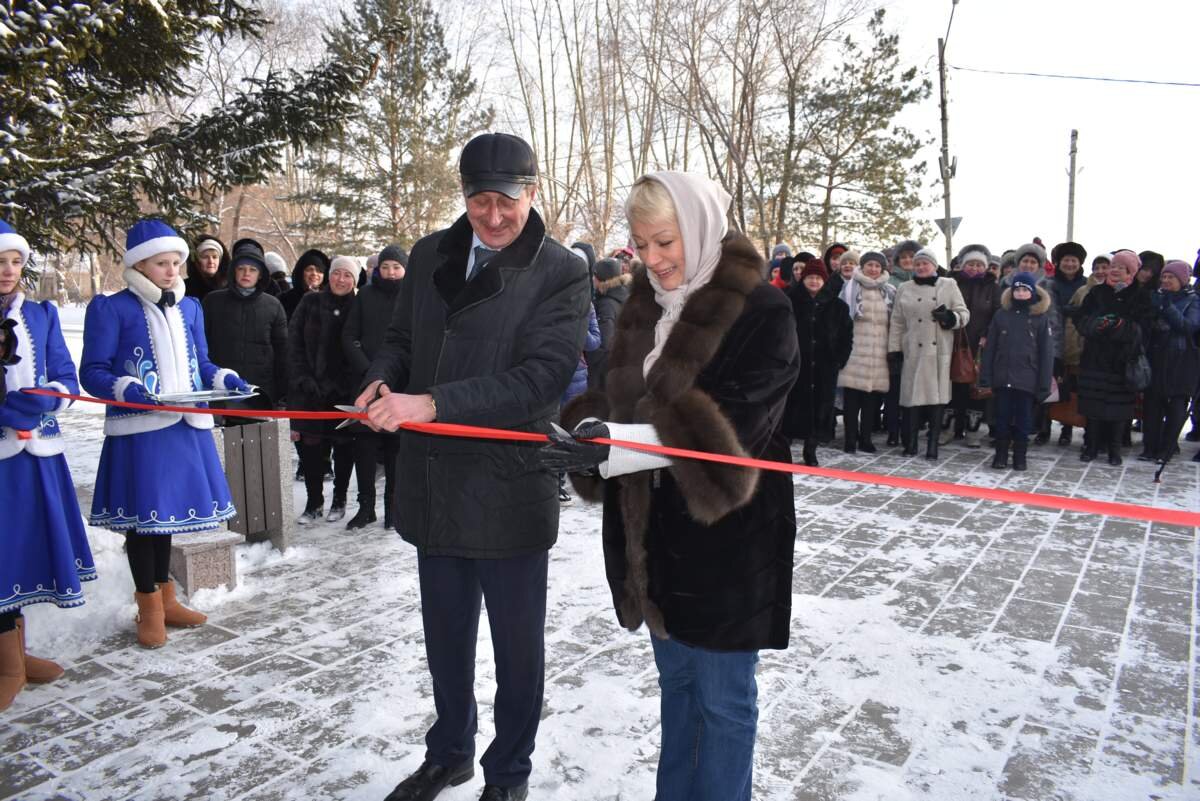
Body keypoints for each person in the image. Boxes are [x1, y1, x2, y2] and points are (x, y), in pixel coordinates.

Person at [540, 171, 799, 801]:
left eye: (664, 242)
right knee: (678, 696)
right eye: (640, 244)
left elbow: (735, 431)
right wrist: (580, 433)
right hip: (651, 547)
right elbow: (614, 396)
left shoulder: (761, 311)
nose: (652, 261)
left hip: (727, 548)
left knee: (723, 705)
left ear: (701, 225)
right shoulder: (642, 305)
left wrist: (622, 447)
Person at [356, 132, 590, 801]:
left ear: (532, 192)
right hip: (433, 486)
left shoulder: (561, 272)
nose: (493, 216)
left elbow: (539, 382)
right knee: (446, 642)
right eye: (479, 200)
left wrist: (430, 403)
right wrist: (380, 378)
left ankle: (508, 772)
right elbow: (400, 340)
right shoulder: (431, 253)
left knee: (517, 655)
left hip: (507, 489)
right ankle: (450, 750)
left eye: (506, 201)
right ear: (463, 195)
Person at [81, 219, 249, 648]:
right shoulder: (111, 308)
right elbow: (92, 372)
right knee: (144, 523)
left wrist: (225, 379)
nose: (173, 270)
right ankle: (149, 607)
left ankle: (167, 599)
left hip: (185, 426)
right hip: (141, 431)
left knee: (166, 517)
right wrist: (126, 388)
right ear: (140, 264)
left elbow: (203, 364)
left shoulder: (190, 308)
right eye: (162, 263)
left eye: (177, 262)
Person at [0, 220, 96, 710]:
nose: (8, 271)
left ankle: (15, 656)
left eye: (15, 261)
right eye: (0, 262)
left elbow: (64, 376)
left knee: (18, 553)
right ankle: (9, 667)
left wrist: (42, 401)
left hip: (36, 453)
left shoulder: (40, 315)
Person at [289, 255, 360, 524]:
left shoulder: (358, 305)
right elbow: (293, 343)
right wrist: (303, 378)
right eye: (336, 273)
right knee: (311, 450)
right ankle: (313, 502)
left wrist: (347, 385)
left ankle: (339, 500)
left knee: (343, 449)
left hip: (344, 394)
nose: (340, 279)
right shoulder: (310, 302)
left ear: (354, 280)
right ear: (328, 275)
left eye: (347, 275)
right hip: (309, 392)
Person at [341, 245, 406, 530]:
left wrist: (392, 376)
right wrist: (370, 373)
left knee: (395, 448)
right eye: (385, 267)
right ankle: (366, 506)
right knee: (364, 447)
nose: (390, 273)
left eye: (396, 267)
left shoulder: (412, 296)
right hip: (366, 381)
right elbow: (349, 335)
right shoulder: (365, 295)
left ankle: (393, 509)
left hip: (400, 384)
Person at [888, 248, 969, 459]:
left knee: (936, 399)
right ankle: (911, 443)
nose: (921, 267)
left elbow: (964, 314)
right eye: (917, 264)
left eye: (925, 263)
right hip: (912, 350)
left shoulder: (948, 284)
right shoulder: (905, 288)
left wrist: (950, 318)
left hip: (938, 351)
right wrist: (894, 350)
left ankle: (933, 445)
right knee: (911, 399)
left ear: (934, 265)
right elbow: (897, 321)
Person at [1076, 250, 1152, 465]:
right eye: (1114, 266)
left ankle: (1114, 450)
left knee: (1118, 409)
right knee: (1093, 407)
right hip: (1095, 359)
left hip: (1122, 361)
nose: (1116, 270)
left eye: (1123, 268)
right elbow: (1081, 320)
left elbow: (1143, 327)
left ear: (1131, 272)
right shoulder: (1097, 292)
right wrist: (1097, 325)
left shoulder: (1140, 295)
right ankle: (1090, 446)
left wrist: (1120, 326)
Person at [201, 240, 289, 417]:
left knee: (260, 443)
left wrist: (282, 395)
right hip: (220, 392)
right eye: (241, 268)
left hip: (261, 393)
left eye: (253, 269)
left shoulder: (273, 305)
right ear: (234, 271)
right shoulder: (213, 301)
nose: (246, 274)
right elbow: (201, 347)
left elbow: (283, 352)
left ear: (261, 275)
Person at [978, 272, 1054, 470]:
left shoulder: (1040, 318)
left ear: (1032, 293)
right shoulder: (1001, 315)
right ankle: (1000, 455)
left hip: (1027, 378)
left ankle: (1020, 456)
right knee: (1001, 418)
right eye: (1017, 290)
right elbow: (991, 348)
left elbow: (1046, 354)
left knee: (1023, 421)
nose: (1020, 294)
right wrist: (986, 376)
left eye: (1024, 290)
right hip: (1003, 377)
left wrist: (1044, 385)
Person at [783, 258, 852, 466]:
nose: (814, 281)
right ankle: (784, 449)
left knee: (820, 409)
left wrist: (839, 359)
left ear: (824, 280)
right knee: (791, 408)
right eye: (810, 277)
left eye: (818, 278)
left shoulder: (837, 306)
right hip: (796, 365)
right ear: (803, 279)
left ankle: (810, 450)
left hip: (825, 367)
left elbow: (846, 335)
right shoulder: (790, 301)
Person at [1141, 260, 1200, 464]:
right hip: (1156, 358)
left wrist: (1167, 307)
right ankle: (1150, 447)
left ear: (1182, 280)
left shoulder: (1193, 301)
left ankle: (1167, 448)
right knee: (1152, 405)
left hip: (1181, 361)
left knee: (1175, 407)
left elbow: (1188, 326)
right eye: (1164, 277)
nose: (1166, 280)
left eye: (1171, 277)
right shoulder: (1155, 297)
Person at [839, 251, 896, 453]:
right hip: (855, 352)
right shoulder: (850, 288)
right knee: (852, 401)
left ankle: (866, 439)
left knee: (871, 401)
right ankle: (850, 439)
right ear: (862, 267)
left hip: (879, 353)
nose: (873, 269)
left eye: (877, 266)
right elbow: (841, 320)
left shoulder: (889, 291)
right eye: (869, 265)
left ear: (882, 269)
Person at [946, 244, 1001, 448]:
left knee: (976, 389)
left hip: (980, 344)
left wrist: (987, 335)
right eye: (971, 264)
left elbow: (997, 313)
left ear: (985, 267)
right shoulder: (951, 283)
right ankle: (949, 428)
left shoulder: (993, 287)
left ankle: (972, 431)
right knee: (953, 386)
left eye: (979, 265)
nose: (975, 268)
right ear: (962, 265)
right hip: (954, 341)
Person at [1037, 242, 1089, 445]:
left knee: (1072, 389)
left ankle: (1067, 428)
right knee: (1049, 387)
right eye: (1066, 260)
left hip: (1078, 345)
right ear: (1059, 262)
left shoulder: (1086, 286)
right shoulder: (1046, 284)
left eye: (1073, 260)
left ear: (1080, 263)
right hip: (1051, 343)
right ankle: (1044, 429)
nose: (1069, 264)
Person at [588, 257, 632, 390]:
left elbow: (603, 341)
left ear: (601, 279)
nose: (592, 279)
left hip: (600, 372)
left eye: (594, 276)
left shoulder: (606, 304)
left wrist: (587, 361)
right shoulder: (622, 296)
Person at [280, 248, 330, 320]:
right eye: (309, 269)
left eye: (319, 270)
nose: (314, 273)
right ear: (301, 272)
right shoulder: (285, 300)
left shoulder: (330, 300)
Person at [184, 234, 229, 302]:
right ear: (196, 261)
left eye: (214, 257)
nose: (211, 261)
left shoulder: (229, 288)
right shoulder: (185, 288)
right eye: (205, 257)